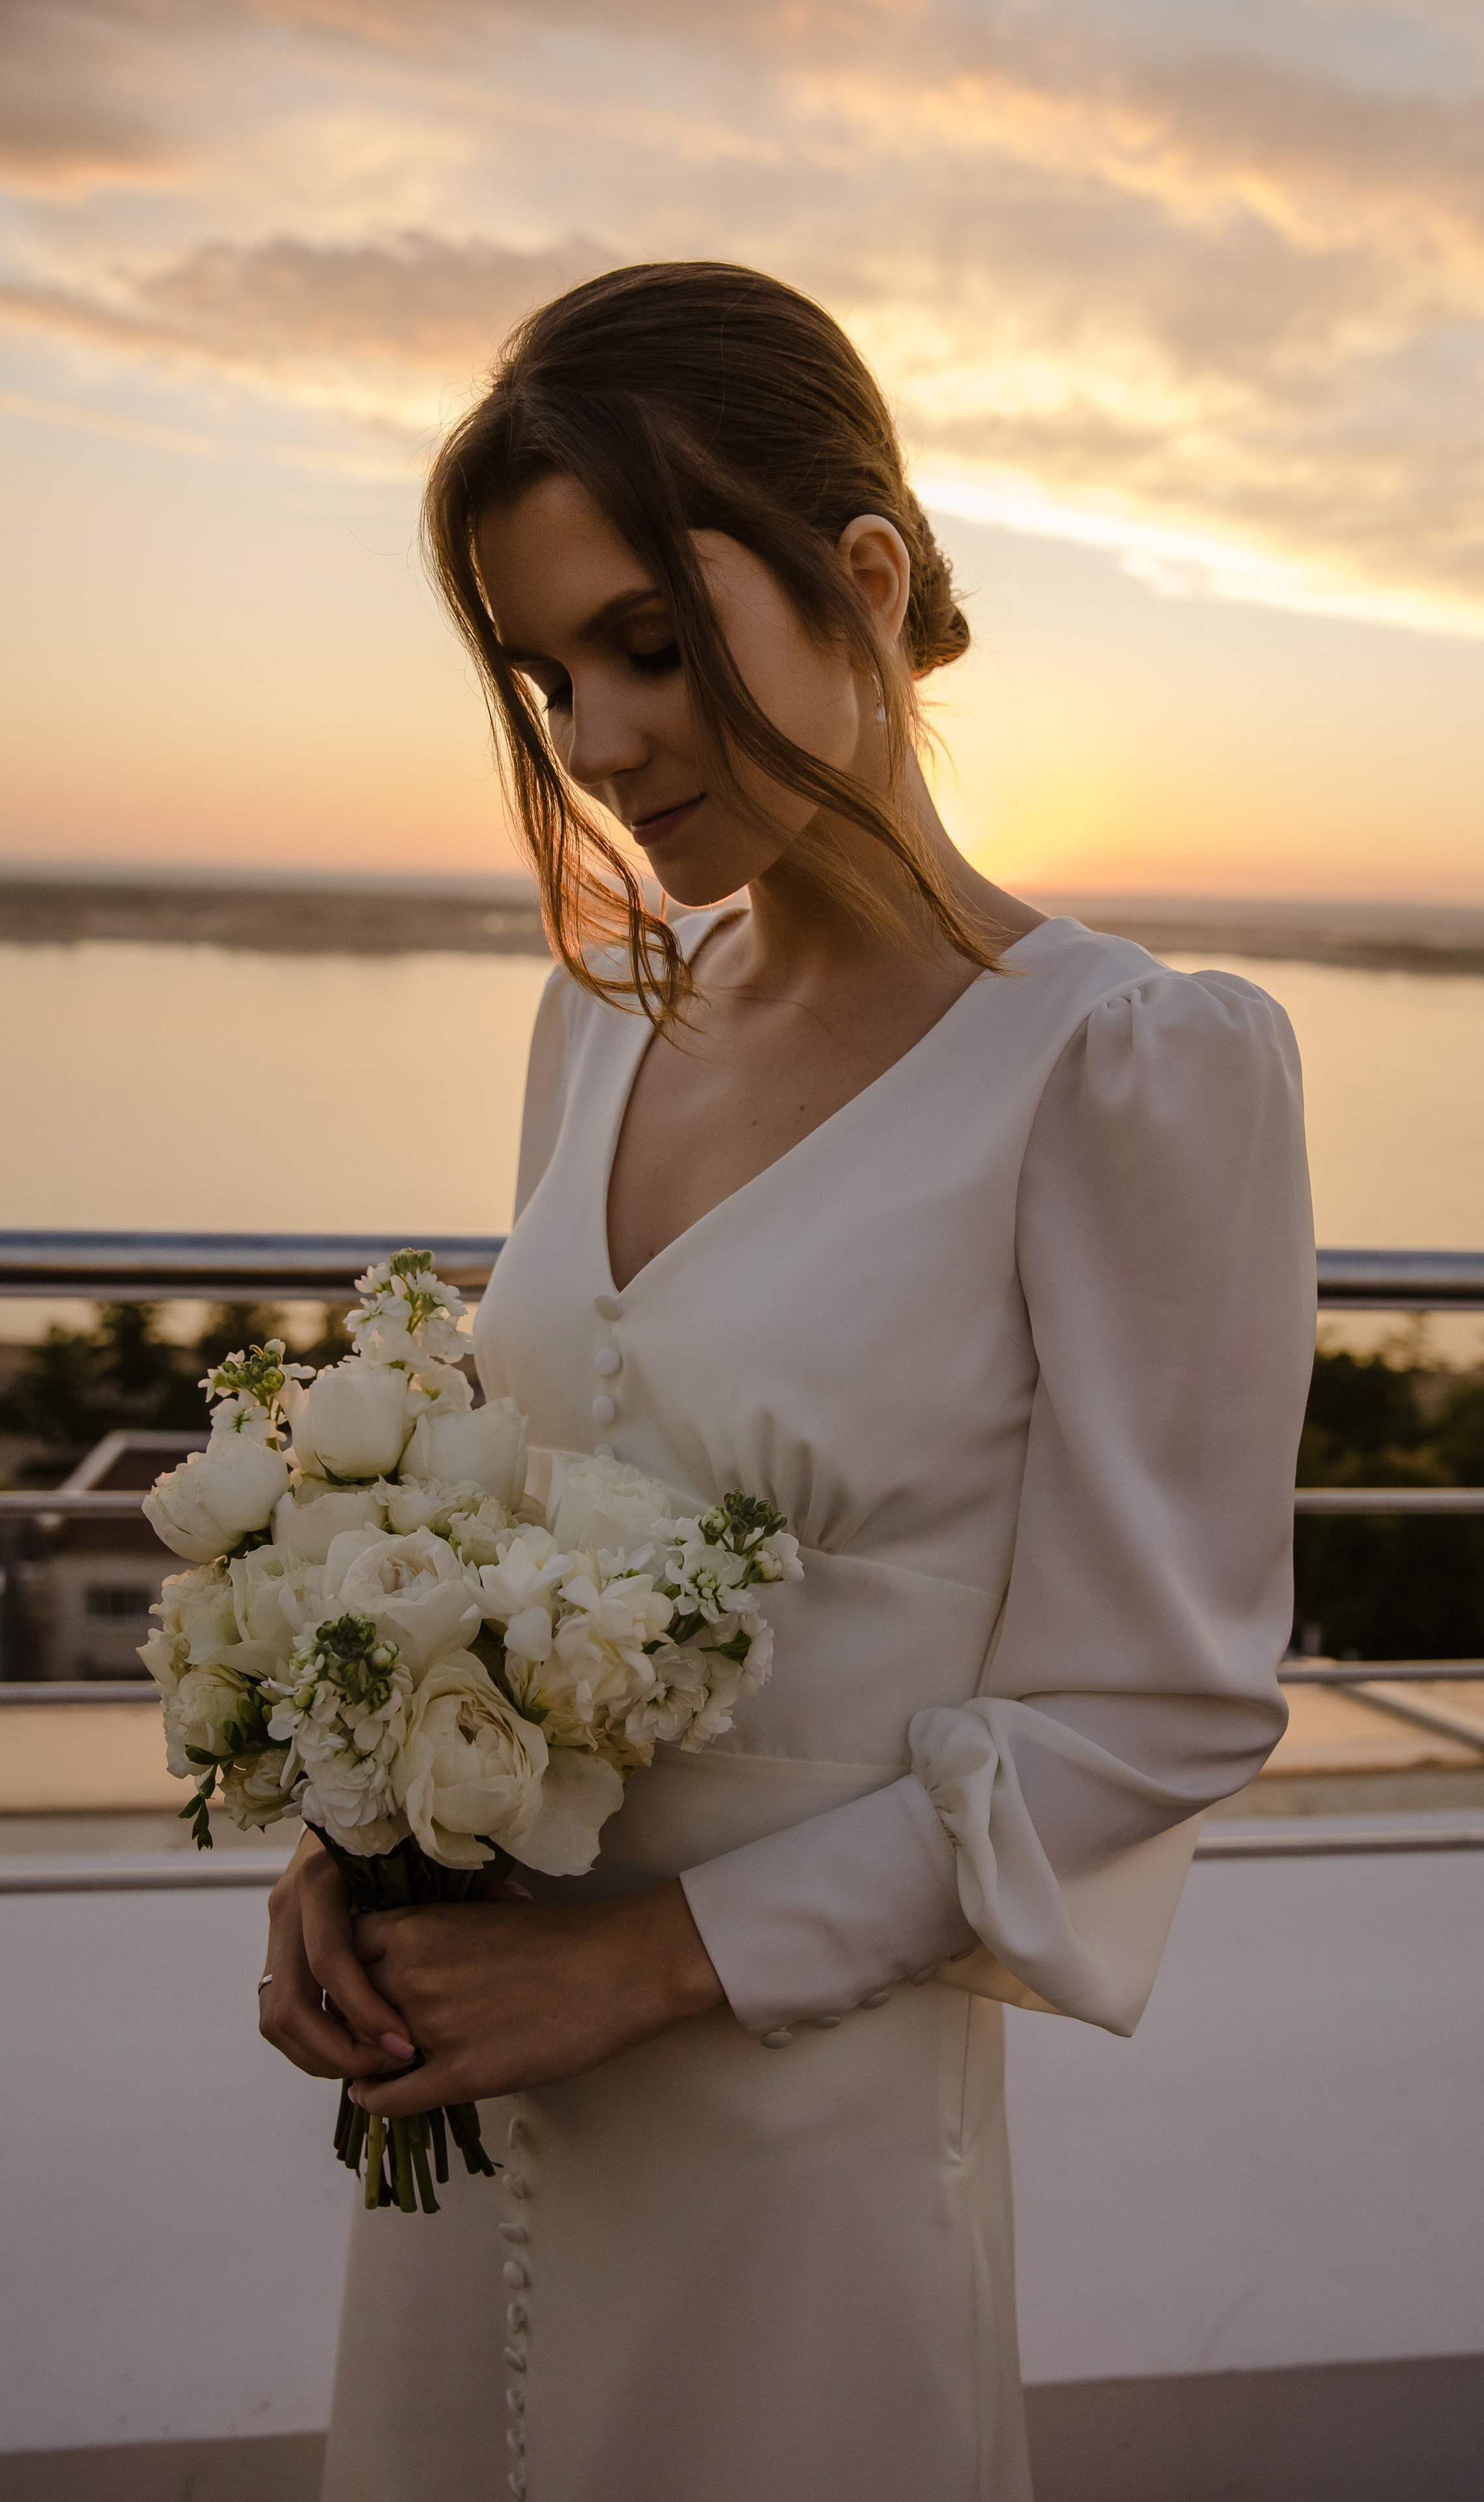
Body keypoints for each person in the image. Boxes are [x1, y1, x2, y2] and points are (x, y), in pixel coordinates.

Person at [260, 261, 1315, 2502]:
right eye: (550, 676)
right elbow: (503, 1526)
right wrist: (353, 1841)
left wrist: (649, 1962)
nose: (595, 739)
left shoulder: (1128, 1065)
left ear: (869, 582)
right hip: (467, 2097)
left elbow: (1158, 1712)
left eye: (649, 642)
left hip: (795, 2148)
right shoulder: (597, 1020)